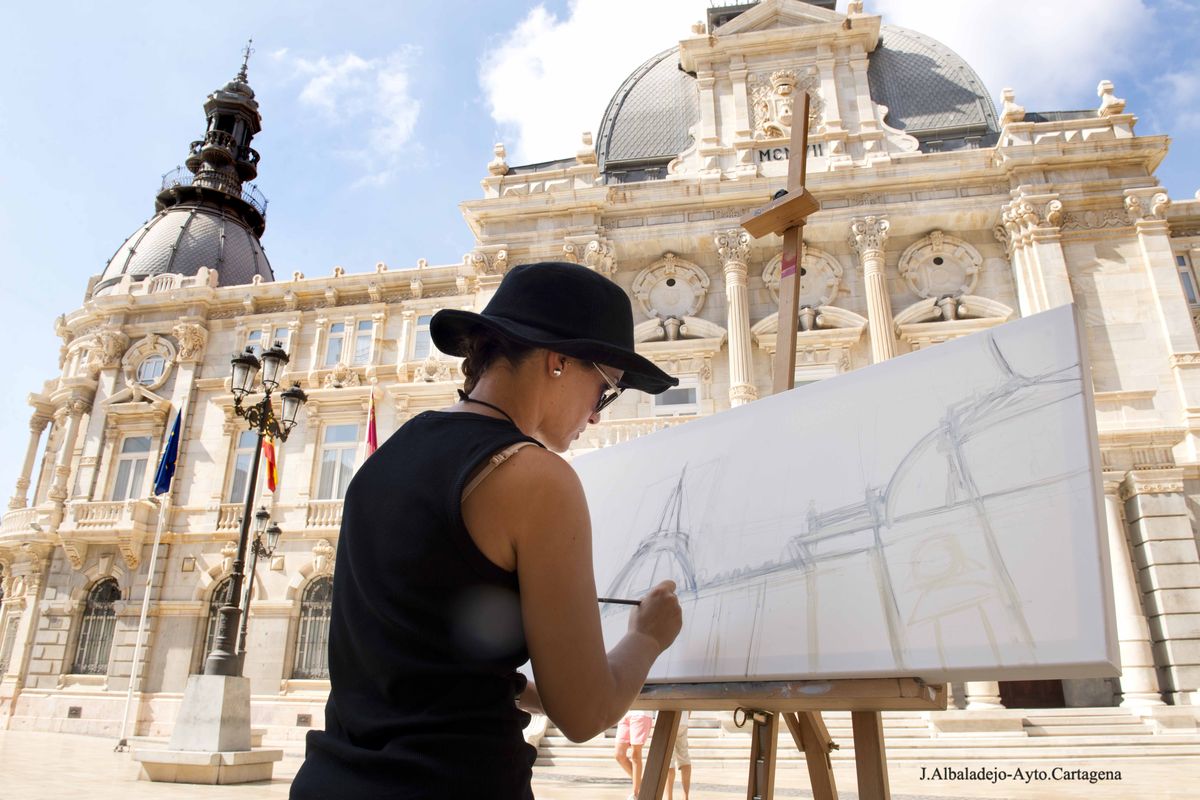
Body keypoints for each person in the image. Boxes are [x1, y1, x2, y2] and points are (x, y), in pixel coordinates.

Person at [291, 261, 684, 799]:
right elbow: (586, 712)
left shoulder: (386, 458)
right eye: (605, 389)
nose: (596, 415)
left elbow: (420, 662)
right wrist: (646, 637)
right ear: (559, 361)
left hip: (331, 781)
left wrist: (520, 685)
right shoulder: (536, 478)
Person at [614, 709, 653, 798]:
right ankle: (642, 785)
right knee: (619, 755)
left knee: (635, 755)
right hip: (624, 713)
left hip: (641, 713)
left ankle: (636, 794)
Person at [666, 710, 692, 800]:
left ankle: (669, 798)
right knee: (684, 758)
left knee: (668, 761)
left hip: (667, 719)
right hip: (683, 720)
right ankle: (685, 797)